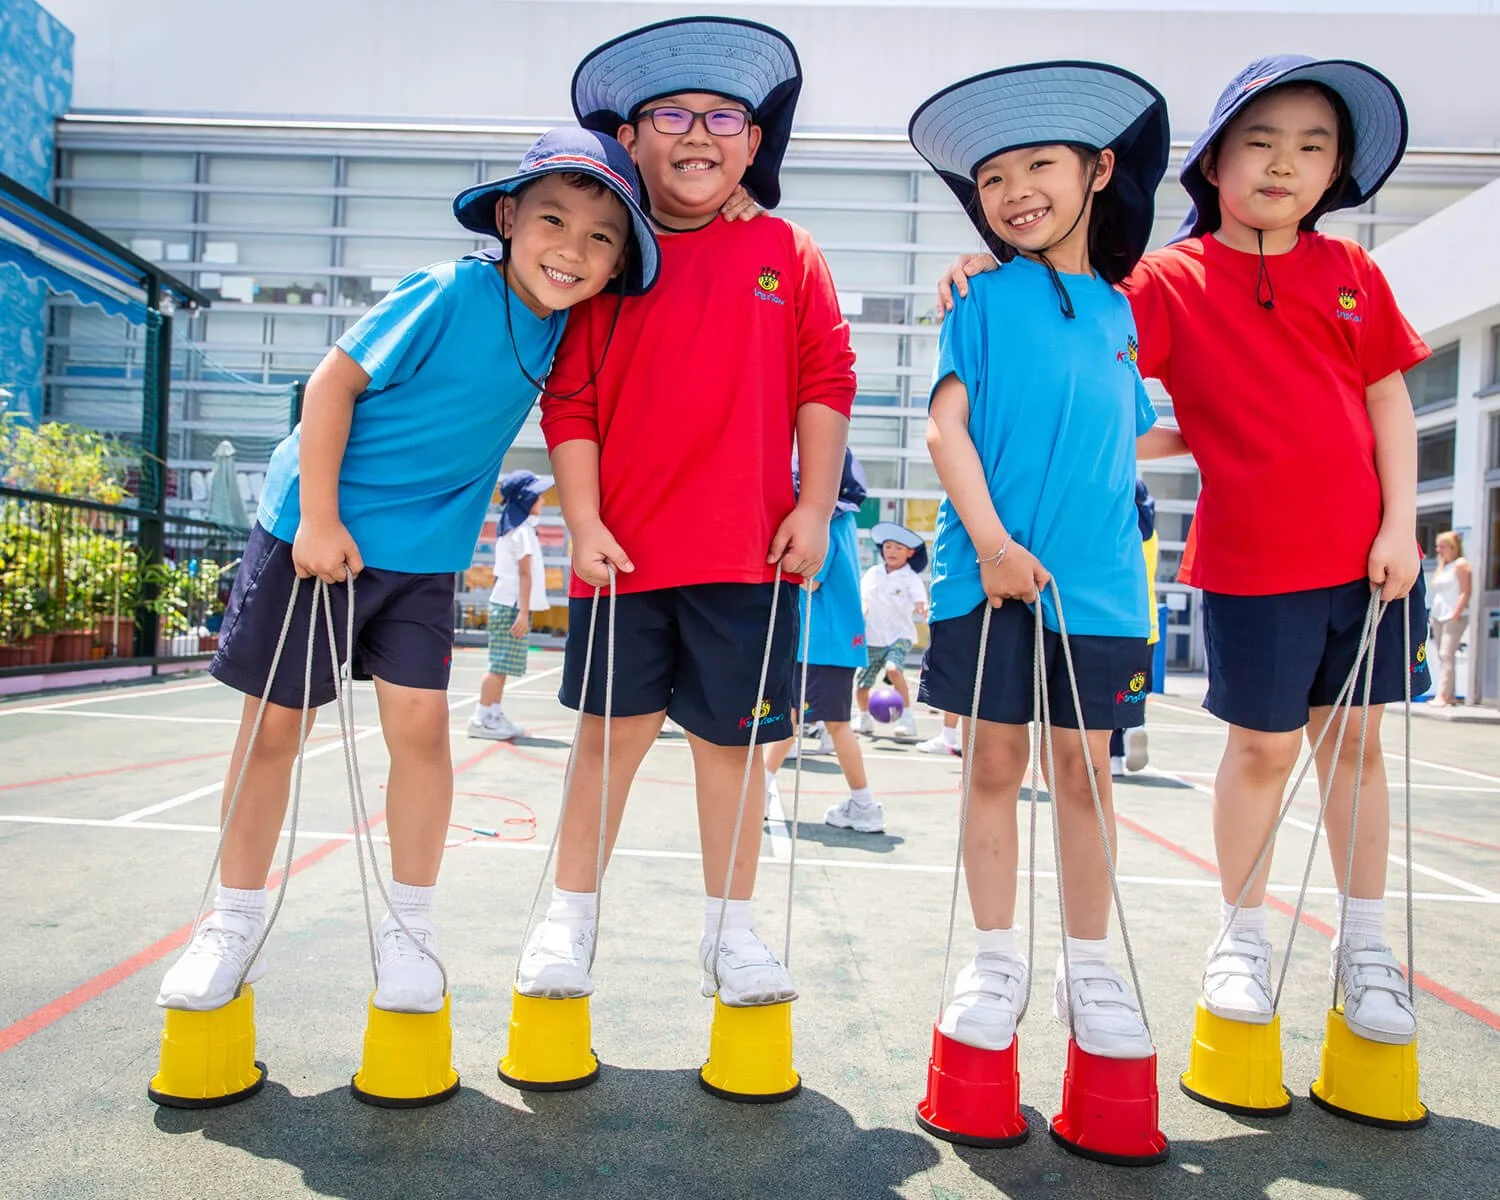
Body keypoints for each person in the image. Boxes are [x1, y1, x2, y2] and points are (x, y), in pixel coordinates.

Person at [935, 56, 1432, 1050]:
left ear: (1336, 169)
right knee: (1258, 751)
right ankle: (1231, 940)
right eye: (1261, 142)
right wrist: (982, 268)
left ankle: (1366, 946)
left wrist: (1400, 525)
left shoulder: (1353, 273)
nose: (1283, 164)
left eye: (1311, 147)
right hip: (1244, 561)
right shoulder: (1155, 284)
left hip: (1360, 559)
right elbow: (1070, 349)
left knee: (1358, 747)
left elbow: (1385, 395)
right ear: (1211, 163)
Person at [154, 128, 660, 1015]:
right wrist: (318, 518)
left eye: (600, 237)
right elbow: (330, 385)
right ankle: (230, 922)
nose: (572, 250)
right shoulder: (448, 290)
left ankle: (410, 930)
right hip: (316, 535)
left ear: (617, 263)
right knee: (275, 731)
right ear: (508, 219)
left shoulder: (572, 331)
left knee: (422, 733)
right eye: (552, 220)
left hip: (422, 559)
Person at [520, 16, 856, 1009]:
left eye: (723, 118)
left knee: (736, 753)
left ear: (753, 144)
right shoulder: (603, 259)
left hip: (751, 557)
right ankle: (568, 919)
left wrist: (816, 507)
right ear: (630, 139)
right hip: (622, 556)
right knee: (606, 742)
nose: (698, 134)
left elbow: (827, 381)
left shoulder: (789, 251)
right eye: (672, 115)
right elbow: (569, 402)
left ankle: (732, 934)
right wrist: (583, 522)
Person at [909, 61, 1176, 1060]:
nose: (1015, 191)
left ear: (1098, 169)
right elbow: (945, 430)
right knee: (992, 762)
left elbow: (1130, 432)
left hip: (1100, 585)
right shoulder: (977, 299)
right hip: (987, 575)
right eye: (992, 178)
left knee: (1087, 772)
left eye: (1038, 166)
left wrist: (1254, 437)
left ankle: (1089, 966)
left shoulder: (1122, 313)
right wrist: (993, 547)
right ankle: (993, 961)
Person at [765, 451, 883, 832]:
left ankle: (863, 804)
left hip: (820, 641)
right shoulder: (842, 520)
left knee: (824, 722)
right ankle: (762, 788)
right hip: (830, 642)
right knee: (797, 716)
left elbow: (811, 580)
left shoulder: (826, 522)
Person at [470, 469, 554, 741]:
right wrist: (523, 612)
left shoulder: (516, 529)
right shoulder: (522, 532)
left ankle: (493, 714)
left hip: (508, 604)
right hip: (511, 606)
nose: (543, 501)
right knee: (498, 665)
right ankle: (481, 718)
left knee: (502, 665)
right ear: (525, 499)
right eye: (538, 496)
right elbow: (524, 574)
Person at [855, 522, 929, 742]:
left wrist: (925, 613)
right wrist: (861, 614)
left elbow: (921, 603)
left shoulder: (911, 578)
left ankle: (907, 719)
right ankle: (864, 718)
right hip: (872, 637)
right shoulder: (873, 573)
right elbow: (864, 600)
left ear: (910, 553)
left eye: (898, 548)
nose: (892, 552)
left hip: (899, 635)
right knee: (862, 685)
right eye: (887, 547)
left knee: (893, 670)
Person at [1110, 479, 1159, 776]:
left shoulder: (1118, 534)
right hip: (1147, 626)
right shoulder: (1151, 537)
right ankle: (1134, 725)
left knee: (1107, 694)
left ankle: (1114, 758)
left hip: (1117, 622)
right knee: (1133, 690)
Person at [1427, 530, 1472, 706]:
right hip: (1438, 615)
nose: (1438, 550)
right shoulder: (1444, 566)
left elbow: (1466, 591)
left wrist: (1456, 614)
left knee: (1446, 654)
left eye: (1442, 546)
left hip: (1452, 616)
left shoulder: (1460, 564)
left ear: (1453, 547)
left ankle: (1443, 696)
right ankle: (1449, 694)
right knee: (1443, 656)